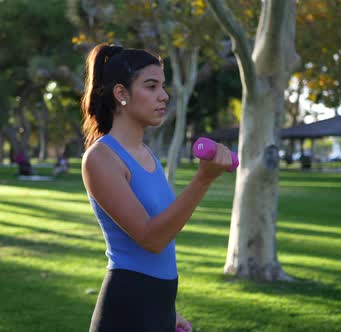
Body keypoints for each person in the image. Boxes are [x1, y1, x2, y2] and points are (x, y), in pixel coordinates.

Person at [80, 43, 233, 332]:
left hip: (158, 304)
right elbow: (151, 238)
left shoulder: (146, 154)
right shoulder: (100, 158)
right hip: (127, 308)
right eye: (151, 86)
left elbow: (162, 242)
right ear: (121, 93)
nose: (164, 96)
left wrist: (168, 311)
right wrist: (203, 179)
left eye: (163, 86)